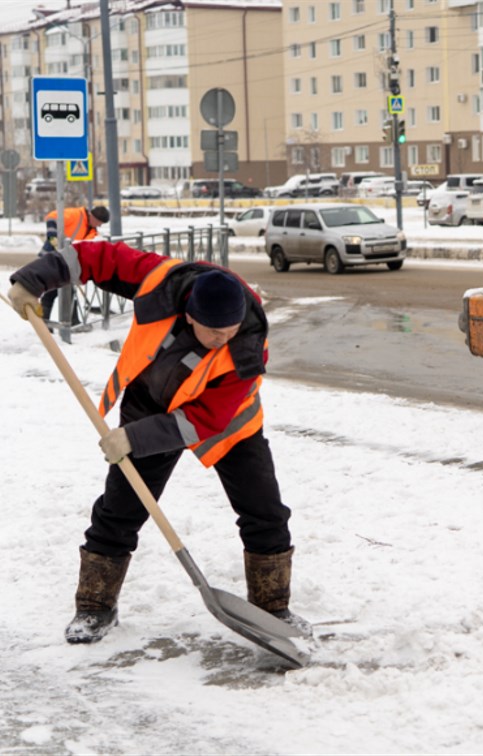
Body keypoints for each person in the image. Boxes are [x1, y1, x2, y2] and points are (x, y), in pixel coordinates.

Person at [6, 240, 307, 643]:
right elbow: (97, 258)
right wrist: (33, 279)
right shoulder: (161, 282)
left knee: (265, 511)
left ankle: (273, 609)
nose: (223, 338)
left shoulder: (247, 346)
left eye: (230, 330)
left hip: (230, 422)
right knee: (119, 510)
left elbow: (205, 418)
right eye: (215, 331)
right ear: (190, 314)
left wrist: (132, 437)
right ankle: (95, 606)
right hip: (150, 404)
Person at [40, 205, 109, 319]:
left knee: (61, 290)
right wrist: (53, 238)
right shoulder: (76, 215)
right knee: (57, 291)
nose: (99, 225)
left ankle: (53, 322)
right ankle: (64, 322)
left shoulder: (92, 232)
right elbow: (52, 217)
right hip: (52, 256)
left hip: (65, 261)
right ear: (93, 216)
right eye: (99, 222)